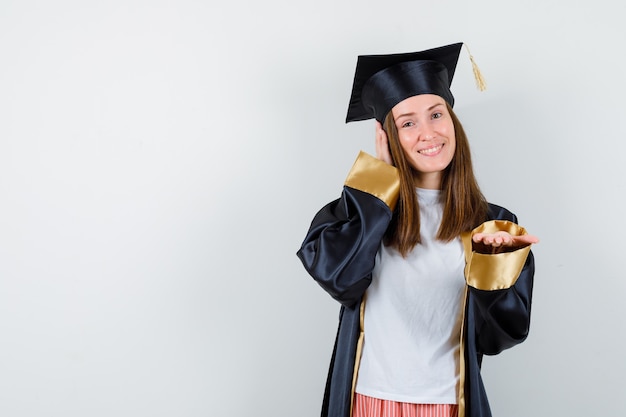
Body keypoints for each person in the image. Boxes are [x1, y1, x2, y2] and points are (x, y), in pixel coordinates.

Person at [296, 42, 539, 417]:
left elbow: (500, 337)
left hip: (448, 404)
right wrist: (379, 181)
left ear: (452, 120)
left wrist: (494, 265)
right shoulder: (361, 211)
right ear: (387, 136)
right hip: (367, 401)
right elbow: (340, 280)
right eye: (407, 122)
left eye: (436, 114)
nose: (428, 133)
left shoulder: (491, 225)